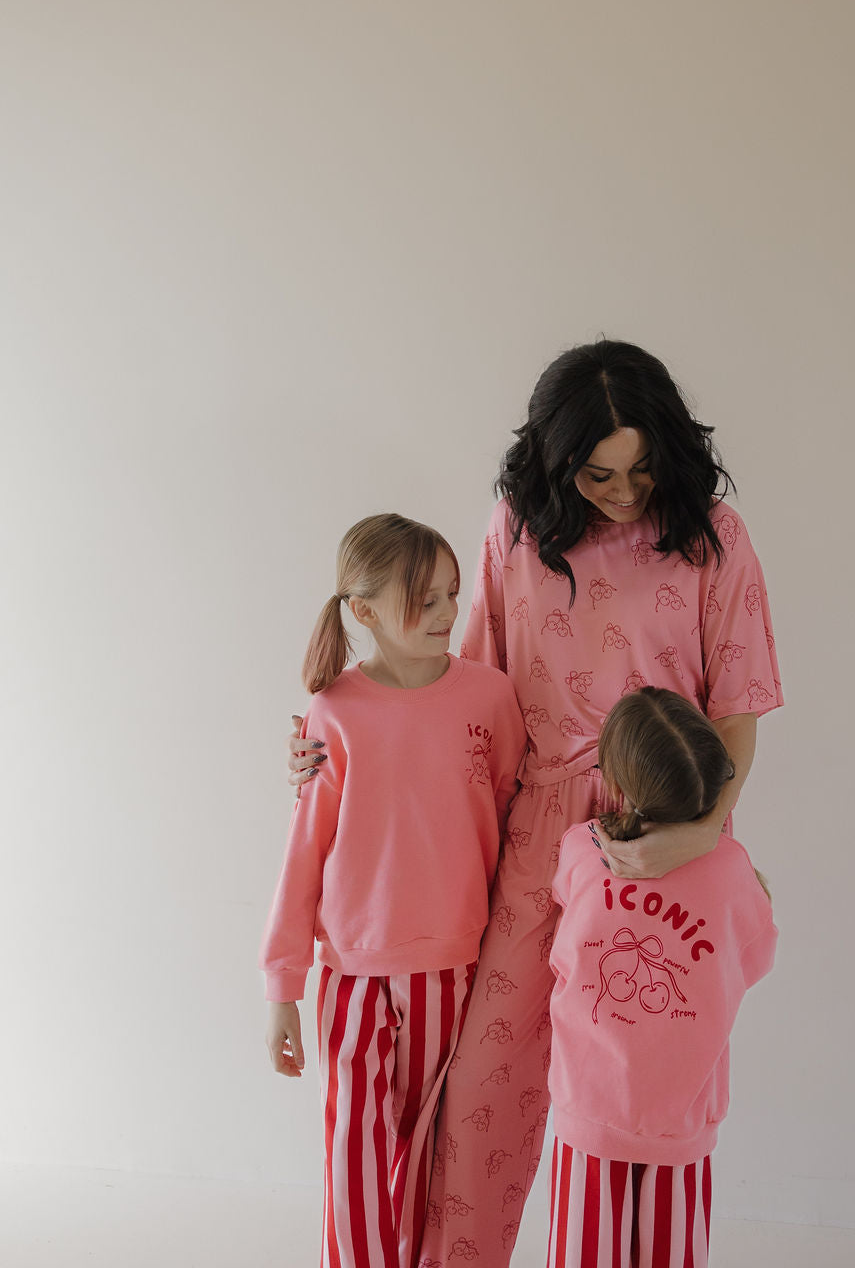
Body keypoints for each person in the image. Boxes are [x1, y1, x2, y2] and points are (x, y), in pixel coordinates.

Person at [289, 341, 783, 1268]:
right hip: (539, 827)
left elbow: (735, 714)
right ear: (557, 463)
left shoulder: (714, 536)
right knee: (484, 1089)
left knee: (637, 1103)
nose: (624, 492)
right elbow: (459, 693)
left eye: (642, 469)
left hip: (665, 824)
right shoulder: (515, 529)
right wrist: (340, 739)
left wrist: (699, 834)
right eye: (599, 474)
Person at [260, 514, 527, 1268]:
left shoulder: (490, 698)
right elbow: (304, 852)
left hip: (452, 967)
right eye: (424, 599)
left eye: (452, 593)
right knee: (354, 1153)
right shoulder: (334, 711)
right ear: (365, 611)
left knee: (422, 1154)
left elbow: (513, 814)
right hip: (353, 971)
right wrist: (283, 987)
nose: (447, 613)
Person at [546, 687, 777, 1268]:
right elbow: (754, 959)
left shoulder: (581, 851)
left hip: (590, 1110)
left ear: (616, 783)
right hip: (682, 1116)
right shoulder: (731, 869)